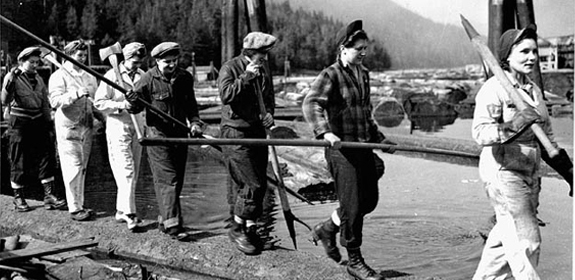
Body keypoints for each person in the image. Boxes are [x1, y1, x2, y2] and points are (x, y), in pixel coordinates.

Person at [471, 25, 570, 279]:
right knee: (526, 242)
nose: (532, 57)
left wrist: (569, 173)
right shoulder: (494, 88)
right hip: (503, 172)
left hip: (529, 172)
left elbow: (547, 140)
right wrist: (513, 125)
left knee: (503, 246)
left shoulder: (534, 91)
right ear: (507, 56)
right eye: (524, 51)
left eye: (535, 51)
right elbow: (480, 133)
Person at [302, 20, 394, 280]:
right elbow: (311, 104)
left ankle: (327, 228)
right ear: (344, 48)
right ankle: (355, 260)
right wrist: (324, 132)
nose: (363, 53)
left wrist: (381, 139)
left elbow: (365, 114)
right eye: (358, 49)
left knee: (369, 201)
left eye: (365, 48)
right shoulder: (331, 74)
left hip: (362, 145)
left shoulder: (363, 74)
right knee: (352, 208)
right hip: (341, 149)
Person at [125, 42, 202, 239]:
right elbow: (134, 109)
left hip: (180, 134)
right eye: (167, 62)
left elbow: (190, 104)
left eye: (174, 61)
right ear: (157, 61)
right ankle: (174, 226)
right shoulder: (147, 79)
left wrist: (194, 122)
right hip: (157, 136)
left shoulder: (185, 77)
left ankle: (164, 218)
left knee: (177, 178)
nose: (171, 65)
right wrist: (131, 100)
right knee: (168, 179)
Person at [217, 31, 276, 255]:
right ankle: (236, 227)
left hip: (257, 131)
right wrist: (246, 78)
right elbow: (225, 95)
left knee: (260, 180)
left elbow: (268, 98)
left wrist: (270, 114)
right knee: (251, 184)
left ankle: (251, 230)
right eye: (262, 54)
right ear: (250, 52)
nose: (265, 58)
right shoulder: (230, 68)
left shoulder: (263, 70)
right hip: (235, 133)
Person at [1, 46, 67, 212]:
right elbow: (4, 100)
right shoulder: (13, 77)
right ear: (22, 61)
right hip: (20, 121)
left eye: (37, 62)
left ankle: (49, 195)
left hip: (38, 120)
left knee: (46, 156)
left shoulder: (39, 79)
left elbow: (44, 102)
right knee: (19, 158)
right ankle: (19, 198)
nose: (35, 65)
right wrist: (9, 82)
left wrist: (50, 123)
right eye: (31, 62)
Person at [94, 42, 147, 230]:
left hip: (138, 127)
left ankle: (120, 210)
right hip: (118, 126)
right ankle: (130, 214)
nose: (137, 64)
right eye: (134, 61)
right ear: (125, 58)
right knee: (126, 170)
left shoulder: (142, 76)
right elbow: (99, 103)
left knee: (134, 171)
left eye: (140, 61)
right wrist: (122, 105)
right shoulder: (111, 76)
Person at [49, 40, 99, 221]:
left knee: (83, 168)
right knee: (73, 166)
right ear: (69, 55)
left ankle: (80, 204)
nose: (83, 58)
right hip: (68, 127)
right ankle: (74, 208)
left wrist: (102, 118)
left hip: (87, 126)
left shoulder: (89, 76)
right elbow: (54, 102)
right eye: (79, 55)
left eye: (85, 55)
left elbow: (95, 102)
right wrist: (76, 94)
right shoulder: (58, 76)